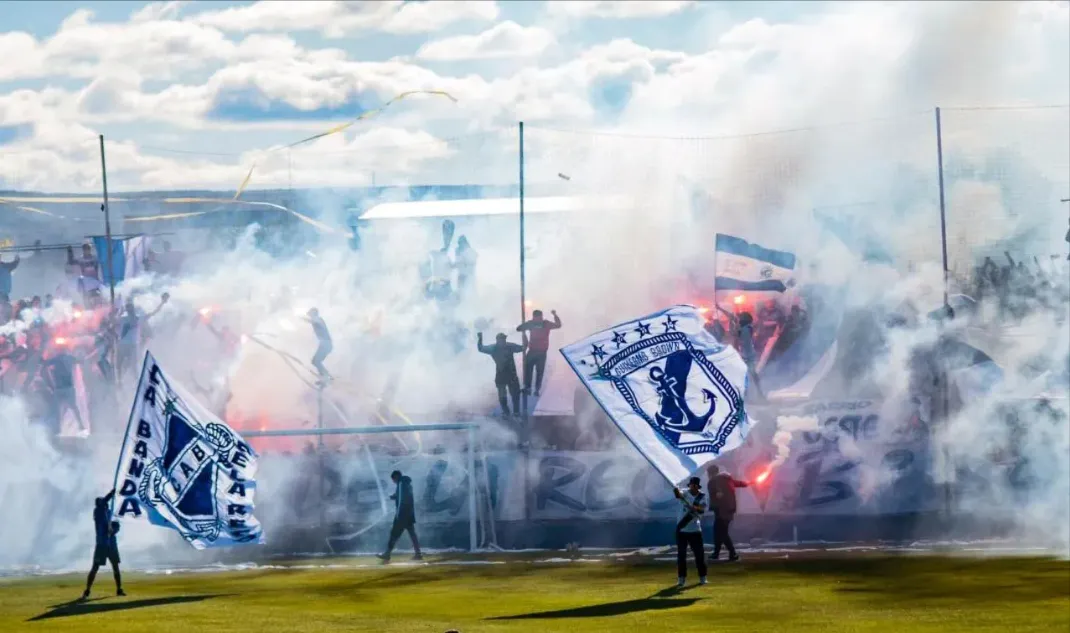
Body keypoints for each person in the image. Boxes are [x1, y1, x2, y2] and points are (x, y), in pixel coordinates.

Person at [82, 489, 125, 599]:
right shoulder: (98, 512)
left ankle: (119, 589)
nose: (102, 503)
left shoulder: (112, 513)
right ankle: (87, 590)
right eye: (100, 502)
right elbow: (105, 500)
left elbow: (117, 526)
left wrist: (113, 530)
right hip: (101, 544)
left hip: (112, 544)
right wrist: (113, 492)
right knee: (95, 568)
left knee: (116, 567)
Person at [477, 332, 526, 418]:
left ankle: (516, 412)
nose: (503, 341)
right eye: (501, 339)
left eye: (504, 339)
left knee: (515, 394)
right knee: (502, 396)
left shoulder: (510, 346)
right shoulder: (493, 348)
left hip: (511, 375)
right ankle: (506, 412)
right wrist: (480, 338)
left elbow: (523, 347)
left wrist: (524, 335)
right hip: (501, 375)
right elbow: (481, 348)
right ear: (498, 340)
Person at [378, 470, 423, 563]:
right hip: (409, 514)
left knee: (394, 534)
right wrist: (393, 496)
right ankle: (418, 554)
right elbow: (403, 496)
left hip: (402, 514)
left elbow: (402, 499)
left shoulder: (401, 483)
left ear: (396, 477)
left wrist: (398, 514)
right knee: (412, 534)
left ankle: (387, 554)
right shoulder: (406, 483)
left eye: (393, 479)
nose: (393, 482)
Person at [707, 464, 749, 562]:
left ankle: (732, 553)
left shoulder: (714, 481)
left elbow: (717, 491)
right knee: (719, 532)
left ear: (711, 473)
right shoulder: (726, 479)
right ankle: (718, 553)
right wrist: (747, 483)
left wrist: (718, 494)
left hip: (721, 510)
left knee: (721, 533)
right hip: (727, 510)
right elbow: (737, 483)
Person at [516, 309, 561, 398]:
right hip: (533, 351)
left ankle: (536, 389)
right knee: (528, 369)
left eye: (539, 318)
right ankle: (528, 388)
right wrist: (524, 327)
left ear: (541, 317)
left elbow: (558, 325)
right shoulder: (532, 323)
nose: (538, 320)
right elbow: (519, 328)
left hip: (541, 352)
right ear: (534, 317)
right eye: (536, 318)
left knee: (539, 371)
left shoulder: (546, 324)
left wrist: (555, 315)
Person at [673, 477, 708, 587]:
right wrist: (675, 489)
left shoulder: (702, 496)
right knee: (681, 556)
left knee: (699, 555)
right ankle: (681, 578)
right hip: (682, 530)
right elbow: (678, 495)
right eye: (691, 485)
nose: (692, 487)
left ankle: (703, 577)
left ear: (698, 486)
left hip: (695, 530)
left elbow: (701, 510)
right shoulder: (684, 493)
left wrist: (693, 507)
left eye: (694, 485)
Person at [305, 308, 333, 382]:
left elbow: (315, 321)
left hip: (326, 344)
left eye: (311, 314)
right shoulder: (316, 320)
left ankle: (326, 376)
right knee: (315, 361)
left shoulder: (318, 319)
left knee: (316, 361)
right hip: (325, 344)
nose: (310, 316)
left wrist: (302, 319)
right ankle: (324, 376)